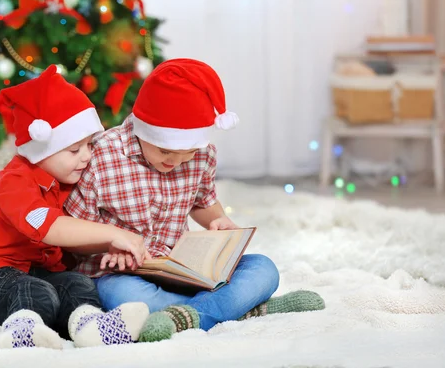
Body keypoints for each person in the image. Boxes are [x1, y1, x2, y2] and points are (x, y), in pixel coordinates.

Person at [64, 59, 325, 343]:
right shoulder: (102, 156)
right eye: (165, 150)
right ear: (144, 129)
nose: (174, 161)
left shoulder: (203, 154)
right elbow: (72, 232)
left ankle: (183, 316)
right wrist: (112, 244)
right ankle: (237, 310)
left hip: (182, 268)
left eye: (187, 153)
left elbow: (203, 203)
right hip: (123, 274)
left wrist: (218, 221)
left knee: (264, 269)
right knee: (120, 296)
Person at [0, 65, 150, 350]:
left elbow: (72, 242)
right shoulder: (14, 183)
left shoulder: (66, 182)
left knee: (77, 284)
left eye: (89, 145)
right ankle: (23, 333)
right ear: (41, 149)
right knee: (32, 289)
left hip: (30, 269)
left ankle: (90, 326)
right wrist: (112, 233)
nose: (87, 157)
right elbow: (52, 228)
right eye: (74, 150)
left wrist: (106, 244)